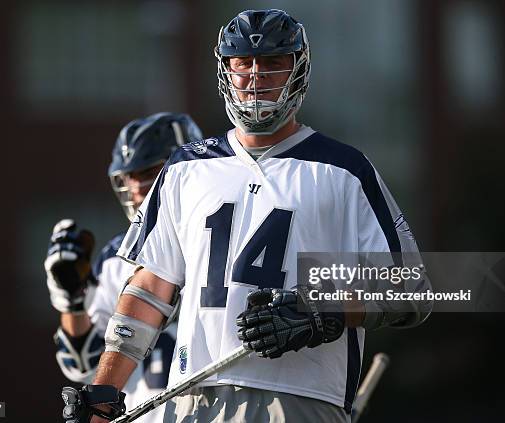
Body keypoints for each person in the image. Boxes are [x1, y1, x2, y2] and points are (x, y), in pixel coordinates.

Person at [72, 9, 432, 423]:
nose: (256, 77)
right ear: (226, 70)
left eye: (273, 63)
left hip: (300, 398)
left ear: (298, 71)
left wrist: (320, 309)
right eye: (244, 63)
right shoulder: (185, 167)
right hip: (191, 399)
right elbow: (148, 290)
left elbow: (411, 287)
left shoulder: (343, 170)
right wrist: (104, 389)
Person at [45, 113, 203, 422]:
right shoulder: (116, 258)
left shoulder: (223, 235)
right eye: (129, 176)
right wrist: (72, 301)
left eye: (148, 172)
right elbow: (85, 365)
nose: (136, 187)